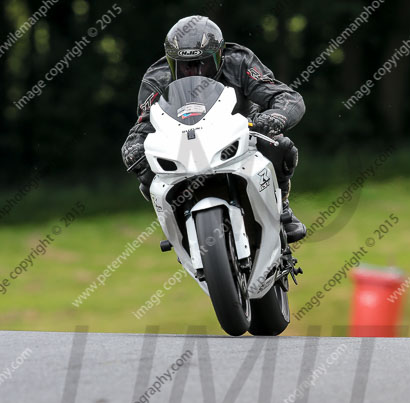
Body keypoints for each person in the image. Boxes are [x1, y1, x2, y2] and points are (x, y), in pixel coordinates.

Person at [121, 15, 306, 242]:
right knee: (145, 168)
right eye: (185, 65)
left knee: (281, 145)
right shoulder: (157, 78)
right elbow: (143, 123)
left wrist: (274, 117)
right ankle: (176, 225)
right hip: (181, 146)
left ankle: (282, 208)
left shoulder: (239, 61)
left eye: (203, 62)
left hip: (241, 138)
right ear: (171, 62)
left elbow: (286, 96)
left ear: (220, 55)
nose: (194, 71)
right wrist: (134, 145)